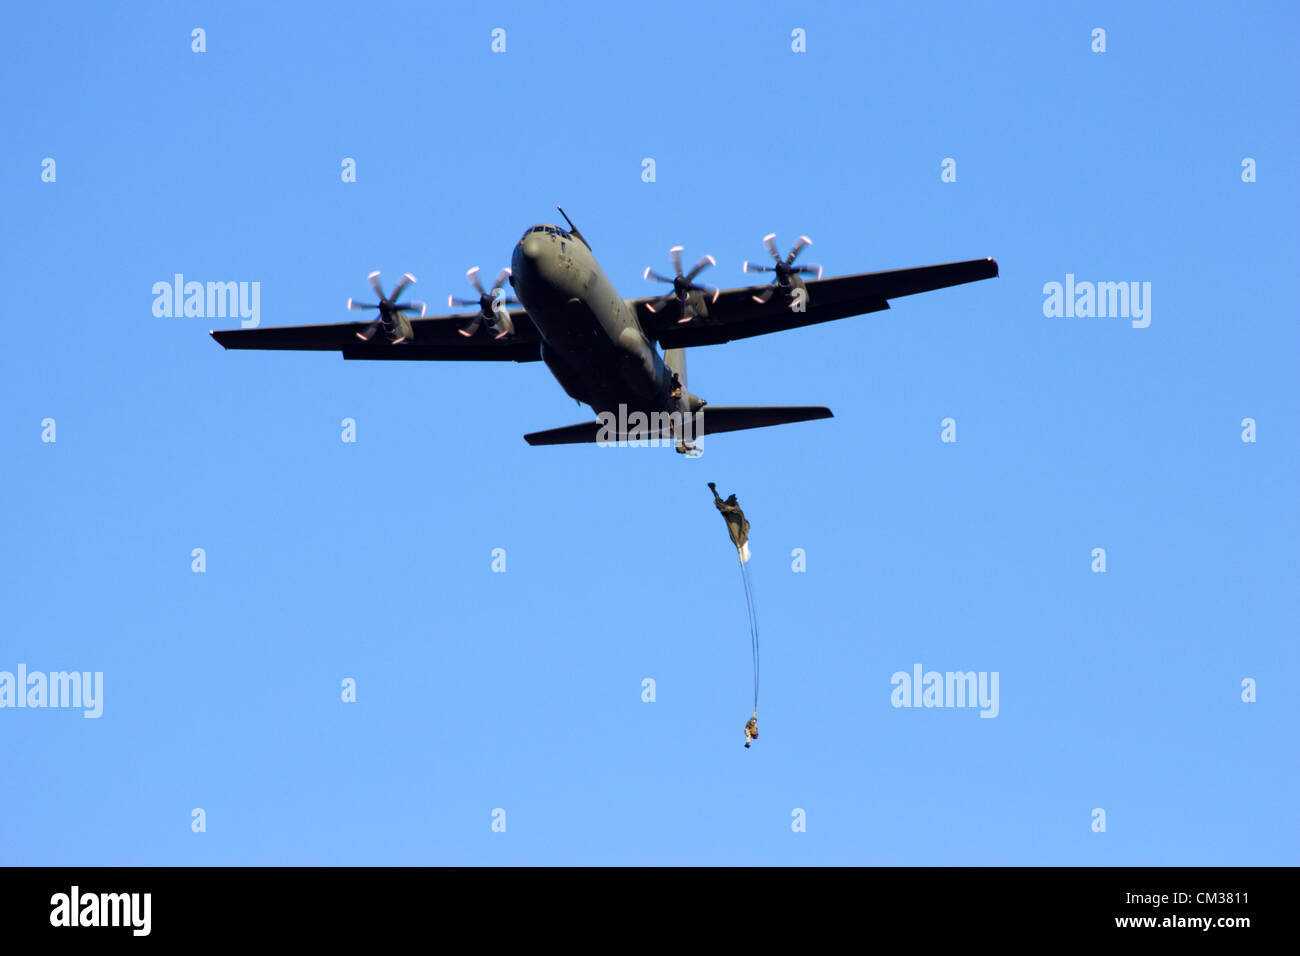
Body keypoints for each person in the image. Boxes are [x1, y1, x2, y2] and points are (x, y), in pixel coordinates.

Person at [708, 482, 751, 562]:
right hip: (734, 530)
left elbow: (742, 521)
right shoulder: (726, 507)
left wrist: (713, 489)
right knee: (737, 540)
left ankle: (742, 553)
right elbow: (719, 501)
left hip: (739, 533)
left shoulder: (736, 509)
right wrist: (713, 490)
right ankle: (741, 552)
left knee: (740, 541)